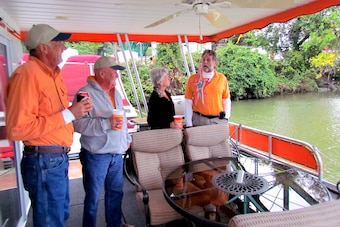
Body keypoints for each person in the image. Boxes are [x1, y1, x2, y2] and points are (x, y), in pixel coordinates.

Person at [5, 24, 93, 227]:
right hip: (43, 161)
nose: (63, 48)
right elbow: (17, 129)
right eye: (59, 43)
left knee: (58, 217)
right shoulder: (27, 75)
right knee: (50, 222)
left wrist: (74, 110)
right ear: (44, 47)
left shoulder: (52, 75)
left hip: (55, 160)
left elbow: (55, 115)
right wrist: (70, 113)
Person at [73, 56, 132, 227]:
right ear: (101, 73)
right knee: (92, 198)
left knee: (116, 194)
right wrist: (106, 123)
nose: (117, 75)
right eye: (113, 71)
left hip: (116, 154)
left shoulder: (116, 92)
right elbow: (77, 124)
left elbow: (123, 119)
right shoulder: (84, 94)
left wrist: (126, 139)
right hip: (96, 155)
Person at [184, 49, 231, 127]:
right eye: (203, 60)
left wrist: (226, 118)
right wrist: (189, 123)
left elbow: (226, 100)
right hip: (199, 120)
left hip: (218, 120)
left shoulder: (222, 79)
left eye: (208, 60)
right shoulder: (193, 79)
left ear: (215, 63)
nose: (205, 62)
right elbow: (188, 102)